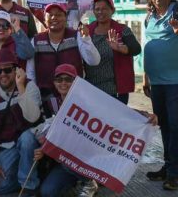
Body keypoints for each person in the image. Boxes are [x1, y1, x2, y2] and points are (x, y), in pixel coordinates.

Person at [35, 63, 158, 196]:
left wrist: (144, 116)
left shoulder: (89, 101)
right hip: (64, 162)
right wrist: (44, 147)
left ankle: (89, 181)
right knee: (48, 191)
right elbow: (43, 131)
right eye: (59, 79)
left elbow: (117, 112)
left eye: (68, 79)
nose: (63, 83)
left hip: (88, 159)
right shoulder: (51, 104)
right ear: (54, 82)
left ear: (76, 82)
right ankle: (79, 181)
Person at [0, 49, 41, 195]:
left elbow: (33, 117)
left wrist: (21, 88)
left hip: (31, 143)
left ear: (16, 70)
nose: (3, 74)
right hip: (8, 147)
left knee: (27, 139)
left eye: (8, 70)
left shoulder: (29, 86)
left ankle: (28, 187)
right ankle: (29, 175)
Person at [143, 0, 178, 191]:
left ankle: (174, 174)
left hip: (175, 82)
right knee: (164, 127)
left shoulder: (177, 12)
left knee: (176, 127)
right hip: (156, 82)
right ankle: (169, 167)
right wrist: (146, 77)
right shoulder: (150, 17)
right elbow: (149, 45)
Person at [26, 3, 100, 96]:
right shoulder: (36, 40)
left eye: (58, 14)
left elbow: (94, 61)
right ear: (45, 19)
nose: (54, 18)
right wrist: (34, 96)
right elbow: (30, 72)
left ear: (65, 18)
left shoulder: (76, 36)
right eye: (50, 15)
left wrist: (86, 39)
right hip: (45, 98)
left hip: (75, 95)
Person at [86, 0, 141, 104]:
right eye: (97, 9)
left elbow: (136, 49)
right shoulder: (87, 30)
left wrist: (121, 48)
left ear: (112, 10)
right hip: (91, 88)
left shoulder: (122, 30)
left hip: (116, 90)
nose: (100, 12)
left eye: (104, 9)